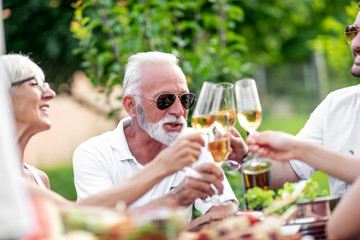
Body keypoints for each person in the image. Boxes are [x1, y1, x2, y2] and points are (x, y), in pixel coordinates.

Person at [0, 53, 210, 209]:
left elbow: (73, 219)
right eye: (36, 84)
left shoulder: (38, 178)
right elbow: (81, 214)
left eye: (185, 99)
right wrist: (164, 168)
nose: (51, 94)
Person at [72, 51, 239, 225]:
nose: (179, 111)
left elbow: (224, 210)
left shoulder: (195, 141)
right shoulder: (94, 153)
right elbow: (101, 226)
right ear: (131, 106)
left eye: (185, 99)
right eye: (165, 100)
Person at [246, 130, 360, 239]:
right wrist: (245, 157)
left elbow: (338, 232)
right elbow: (292, 166)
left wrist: (295, 148)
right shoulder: (329, 111)